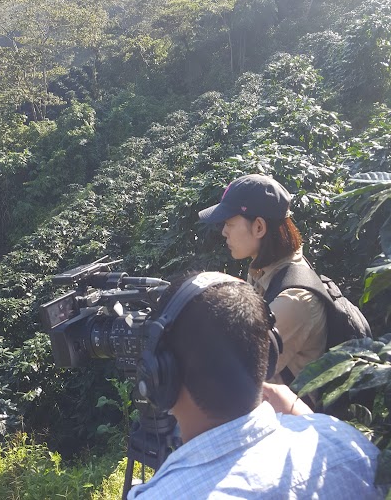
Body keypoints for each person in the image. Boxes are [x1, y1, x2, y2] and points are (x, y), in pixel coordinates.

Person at [128, 274, 383, 499]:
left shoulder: (160, 494)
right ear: (269, 352)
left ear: (160, 374)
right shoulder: (353, 447)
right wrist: (315, 423)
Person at [198, 174, 327, 386]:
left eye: (229, 223)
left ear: (259, 227)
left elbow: (239, 372)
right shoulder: (264, 271)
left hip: (287, 407)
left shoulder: (293, 300)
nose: (224, 232)